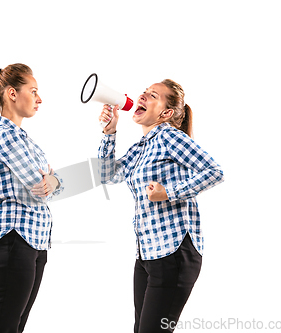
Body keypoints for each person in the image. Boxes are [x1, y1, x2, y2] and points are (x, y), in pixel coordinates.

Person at [98, 79, 224, 333]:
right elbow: (108, 175)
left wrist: (169, 193)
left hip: (173, 252)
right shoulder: (143, 147)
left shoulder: (169, 137)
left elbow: (215, 171)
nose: (142, 96)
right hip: (147, 255)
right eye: (143, 92)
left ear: (166, 113)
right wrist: (109, 134)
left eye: (152, 95)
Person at [0, 63, 63, 333]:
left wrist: (55, 180)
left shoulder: (24, 139)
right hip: (13, 241)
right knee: (2, 327)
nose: (40, 99)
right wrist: (52, 180)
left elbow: (54, 185)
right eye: (33, 91)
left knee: (13, 327)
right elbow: (41, 185)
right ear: (12, 94)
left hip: (32, 242)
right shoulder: (4, 136)